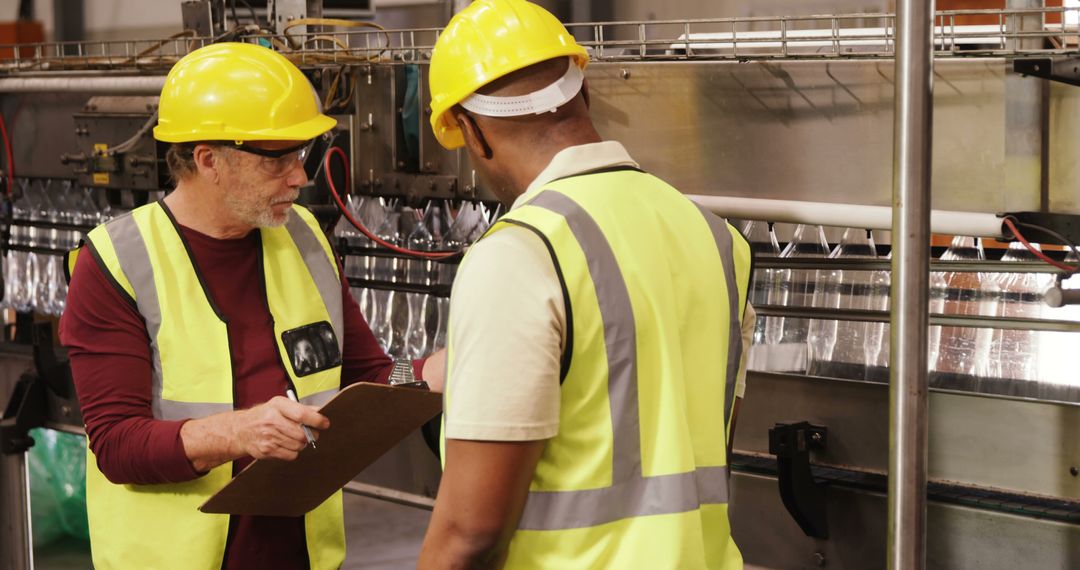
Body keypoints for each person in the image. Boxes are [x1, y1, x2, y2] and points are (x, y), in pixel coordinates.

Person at [416, 1, 757, 568]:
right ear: (585, 93)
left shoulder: (521, 252)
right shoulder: (719, 240)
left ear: (472, 134)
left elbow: (470, 532)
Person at [60, 42, 425, 569]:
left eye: (301, 154)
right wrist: (239, 432)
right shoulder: (116, 263)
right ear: (208, 159)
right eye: (277, 157)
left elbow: (369, 375)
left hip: (302, 557)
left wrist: (424, 375)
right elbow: (118, 444)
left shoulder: (303, 238)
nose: (300, 176)